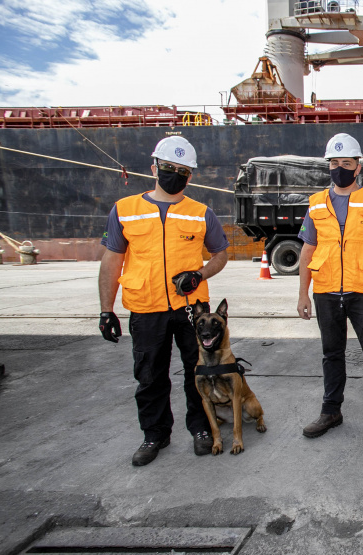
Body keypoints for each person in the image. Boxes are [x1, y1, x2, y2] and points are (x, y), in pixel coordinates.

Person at [98, 136, 229, 466]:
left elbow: (220, 255)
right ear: (154, 167)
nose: (175, 174)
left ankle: (201, 428)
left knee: (196, 373)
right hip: (146, 308)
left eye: (183, 170)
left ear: (191, 175)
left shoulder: (201, 213)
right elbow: (111, 261)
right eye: (170, 167)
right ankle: (154, 434)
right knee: (150, 375)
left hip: (191, 311)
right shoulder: (125, 210)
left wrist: (199, 275)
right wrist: (106, 310)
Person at [296, 133, 363, 447]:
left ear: (358, 167)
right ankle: (331, 411)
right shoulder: (316, 203)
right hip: (326, 290)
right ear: (328, 166)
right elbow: (307, 251)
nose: (339, 167)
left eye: (346, 163)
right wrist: (303, 293)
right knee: (331, 354)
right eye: (334, 162)